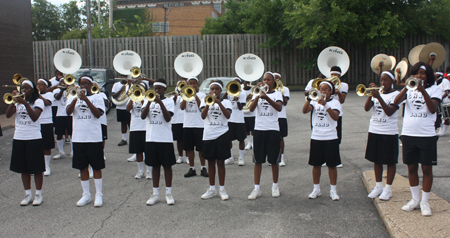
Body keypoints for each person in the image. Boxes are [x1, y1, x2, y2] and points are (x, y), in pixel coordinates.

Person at [393, 62, 442, 216]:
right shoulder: (409, 88)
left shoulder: (435, 89)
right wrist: (407, 87)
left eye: (422, 73)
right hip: (408, 133)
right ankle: (415, 200)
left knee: (426, 169)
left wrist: (423, 91)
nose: (419, 76)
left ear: (428, 75)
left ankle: (425, 201)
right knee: (411, 167)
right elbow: (395, 102)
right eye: (416, 73)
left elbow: (433, 109)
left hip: (426, 135)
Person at [66, 75, 106, 207]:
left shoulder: (97, 97)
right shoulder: (73, 97)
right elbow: (68, 112)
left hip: (94, 138)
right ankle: (86, 194)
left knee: (96, 167)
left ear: (91, 85)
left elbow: (98, 114)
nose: (83, 86)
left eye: (86, 84)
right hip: (78, 138)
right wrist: (76, 99)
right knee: (82, 167)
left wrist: (86, 100)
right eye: (81, 84)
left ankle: (98, 194)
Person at [6, 79, 45, 206]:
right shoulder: (17, 102)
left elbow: (34, 117)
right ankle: (28, 194)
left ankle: (38, 194)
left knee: (37, 168)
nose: (24, 90)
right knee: (24, 168)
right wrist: (13, 102)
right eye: (22, 88)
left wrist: (25, 103)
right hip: (19, 137)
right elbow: (7, 115)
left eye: (27, 88)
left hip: (33, 138)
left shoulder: (38, 101)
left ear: (32, 90)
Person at [302, 80, 341, 201]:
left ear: (331, 91)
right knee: (316, 164)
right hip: (317, 136)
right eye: (321, 89)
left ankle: (333, 190)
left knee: (332, 165)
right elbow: (304, 110)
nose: (322, 91)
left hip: (330, 137)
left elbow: (335, 117)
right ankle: (316, 189)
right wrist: (308, 99)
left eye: (325, 89)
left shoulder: (335, 103)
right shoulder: (314, 101)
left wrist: (326, 105)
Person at [363, 70, 400, 200]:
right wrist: (370, 95)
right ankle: (378, 186)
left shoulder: (396, 95)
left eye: (386, 80)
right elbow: (366, 108)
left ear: (392, 81)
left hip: (388, 131)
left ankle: (388, 188)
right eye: (382, 80)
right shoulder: (377, 93)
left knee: (390, 161)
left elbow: (389, 112)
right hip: (374, 129)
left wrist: (379, 97)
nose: (383, 83)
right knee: (376, 159)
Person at [247, 72, 283, 200]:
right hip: (259, 130)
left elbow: (279, 107)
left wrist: (266, 97)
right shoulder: (257, 93)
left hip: (273, 130)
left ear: (273, 82)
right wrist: (257, 95)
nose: (266, 82)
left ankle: (275, 186)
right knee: (258, 160)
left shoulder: (277, 94)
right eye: (264, 80)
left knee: (274, 161)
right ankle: (257, 188)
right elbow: (251, 109)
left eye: (268, 80)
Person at [141, 79, 176, 206]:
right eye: (155, 88)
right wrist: (150, 103)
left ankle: (168, 193)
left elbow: (168, 118)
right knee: (155, 166)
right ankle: (155, 193)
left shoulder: (169, 101)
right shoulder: (147, 100)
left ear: (164, 90)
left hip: (165, 138)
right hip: (151, 138)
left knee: (167, 166)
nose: (156, 91)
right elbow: (143, 116)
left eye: (159, 89)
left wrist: (160, 103)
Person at [199, 80, 232, 200]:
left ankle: (222, 189)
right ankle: (212, 189)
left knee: (221, 163)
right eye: (212, 89)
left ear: (220, 91)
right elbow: (203, 116)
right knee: (211, 163)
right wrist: (209, 103)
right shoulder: (204, 100)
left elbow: (228, 116)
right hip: (208, 135)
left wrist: (219, 102)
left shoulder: (227, 102)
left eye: (216, 89)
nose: (214, 91)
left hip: (222, 134)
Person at [180, 77, 208, 178]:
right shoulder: (184, 94)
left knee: (201, 149)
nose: (192, 86)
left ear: (197, 84)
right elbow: (182, 107)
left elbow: (202, 107)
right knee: (189, 148)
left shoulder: (202, 95)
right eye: (190, 84)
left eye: (194, 84)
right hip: (188, 125)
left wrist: (194, 95)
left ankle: (203, 167)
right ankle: (192, 168)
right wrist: (186, 96)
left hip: (199, 125)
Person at [126, 83, 152, 179]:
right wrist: (133, 98)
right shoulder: (132, 98)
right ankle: (140, 171)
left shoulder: (147, 99)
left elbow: (144, 110)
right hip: (135, 127)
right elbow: (128, 109)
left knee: (148, 151)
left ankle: (148, 171)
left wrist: (141, 99)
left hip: (145, 128)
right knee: (138, 151)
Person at [223, 77, 247, 166]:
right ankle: (230, 158)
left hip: (239, 120)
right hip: (230, 120)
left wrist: (237, 100)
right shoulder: (229, 92)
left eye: (237, 83)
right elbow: (223, 99)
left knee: (241, 139)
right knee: (228, 139)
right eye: (233, 83)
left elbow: (241, 108)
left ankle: (241, 158)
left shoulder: (242, 93)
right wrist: (228, 90)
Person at [37, 78, 55, 176]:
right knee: (36, 146)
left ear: (46, 86)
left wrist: (38, 95)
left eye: (41, 84)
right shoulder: (33, 97)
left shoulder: (49, 94)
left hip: (46, 122)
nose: (39, 86)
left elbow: (47, 103)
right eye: (38, 84)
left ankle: (46, 166)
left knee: (46, 146)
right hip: (35, 123)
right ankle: (37, 166)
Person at [52, 82, 73, 159]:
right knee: (59, 134)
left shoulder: (72, 89)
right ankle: (61, 152)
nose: (64, 84)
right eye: (63, 82)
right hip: (60, 114)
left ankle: (72, 151)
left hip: (70, 115)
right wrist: (62, 90)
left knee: (72, 133)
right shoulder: (56, 90)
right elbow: (57, 98)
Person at [274, 73, 290, 167]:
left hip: (281, 116)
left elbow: (284, 103)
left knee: (281, 138)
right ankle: (273, 157)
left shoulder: (285, 89)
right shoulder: (269, 90)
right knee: (271, 138)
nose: (276, 81)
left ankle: (282, 158)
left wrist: (279, 92)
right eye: (274, 79)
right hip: (271, 117)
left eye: (278, 79)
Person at [112, 77, 131, 146]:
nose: (124, 78)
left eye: (126, 76)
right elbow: (114, 96)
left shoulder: (130, 85)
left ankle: (132, 139)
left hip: (129, 107)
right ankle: (124, 139)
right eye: (123, 76)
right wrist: (121, 90)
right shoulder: (116, 85)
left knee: (131, 124)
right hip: (120, 107)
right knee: (123, 124)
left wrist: (130, 85)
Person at [172, 77, 188, 164]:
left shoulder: (188, 94)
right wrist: (175, 97)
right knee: (179, 140)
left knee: (186, 140)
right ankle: (181, 156)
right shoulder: (175, 96)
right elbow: (171, 104)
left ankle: (188, 156)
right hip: (177, 119)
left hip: (186, 120)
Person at [436, 69, 450, 136]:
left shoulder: (445, 81)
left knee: (446, 117)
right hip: (439, 102)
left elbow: (447, 92)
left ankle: (444, 131)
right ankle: (441, 129)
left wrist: (441, 98)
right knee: (439, 117)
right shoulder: (436, 82)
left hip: (445, 102)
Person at [242, 80, 255, 150]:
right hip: (244, 113)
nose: (247, 83)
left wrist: (252, 97)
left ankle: (253, 143)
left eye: (248, 82)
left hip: (253, 113)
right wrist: (246, 98)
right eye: (245, 82)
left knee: (253, 129)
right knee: (246, 130)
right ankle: (248, 143)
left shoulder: (253, 90)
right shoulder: (240, 90)